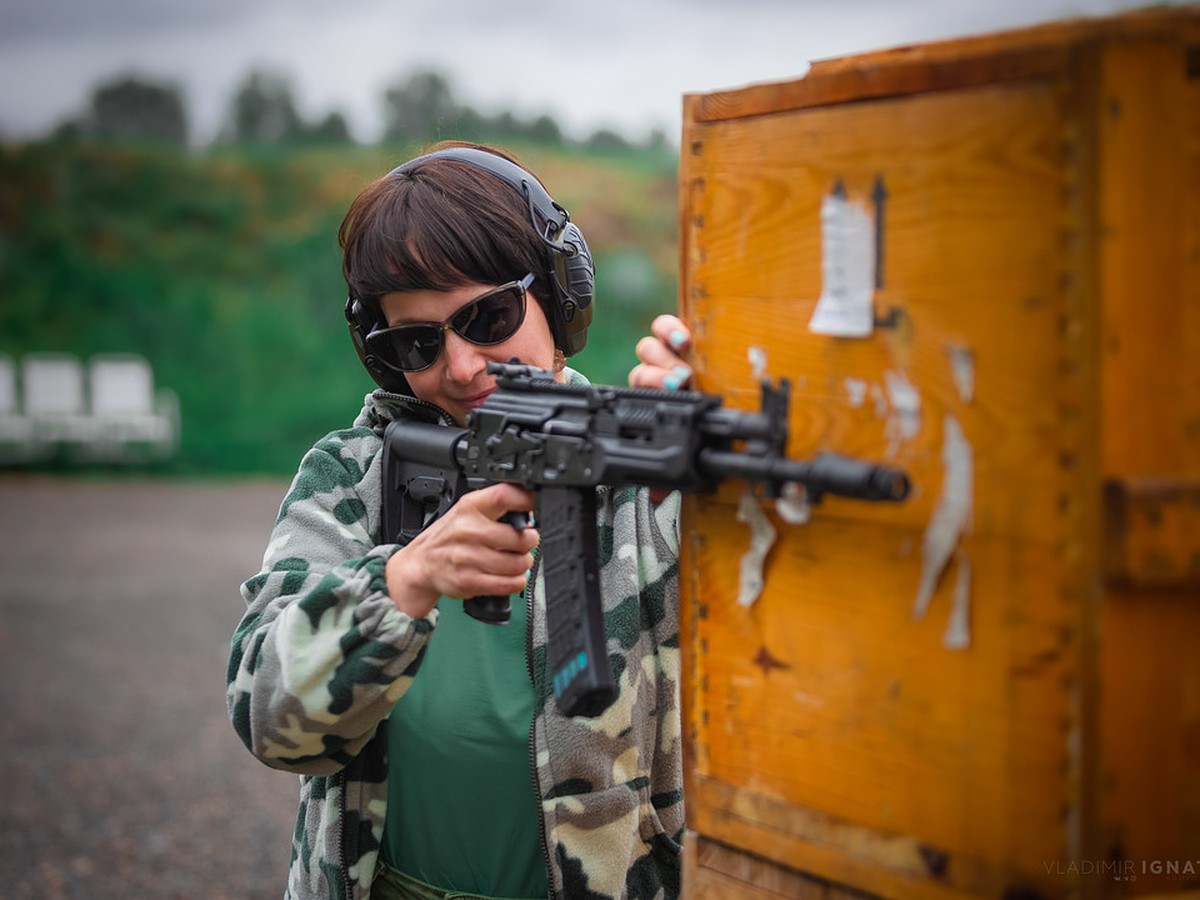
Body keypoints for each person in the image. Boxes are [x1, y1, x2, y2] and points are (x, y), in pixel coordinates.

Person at [226, 141, 694, 900]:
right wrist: (403, 582)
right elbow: (267, 718)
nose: (465, 366)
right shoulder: (357, 477)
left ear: (558, 294)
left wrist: (710, 461)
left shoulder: (644, 474)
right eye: (417, 341)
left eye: (489, 316)